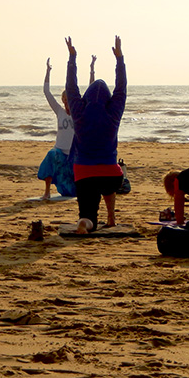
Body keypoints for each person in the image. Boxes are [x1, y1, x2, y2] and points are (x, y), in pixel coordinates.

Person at [64, 36, 126, 234]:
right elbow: (121, 88)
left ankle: (85, 223)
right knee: (111, 179)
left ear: (87, 98)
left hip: (84, 173)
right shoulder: (113, 113)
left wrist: (72, 58)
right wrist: (119, 59)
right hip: (111, 175)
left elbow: (71, 87)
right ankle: (111, 217)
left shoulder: (79, 112)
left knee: (87, 214)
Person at [36, 58, 76, 199]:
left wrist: (91, 69)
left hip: (74, 153)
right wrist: (48, 71)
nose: (66, 102)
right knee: (50, 156)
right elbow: (46, 92)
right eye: (64, 99)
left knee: (70, 190)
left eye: (69, 99)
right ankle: (46, 192)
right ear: (62, 100)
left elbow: (91, 88)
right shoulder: (59, 111)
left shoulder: (80, 112)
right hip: (59, 150)